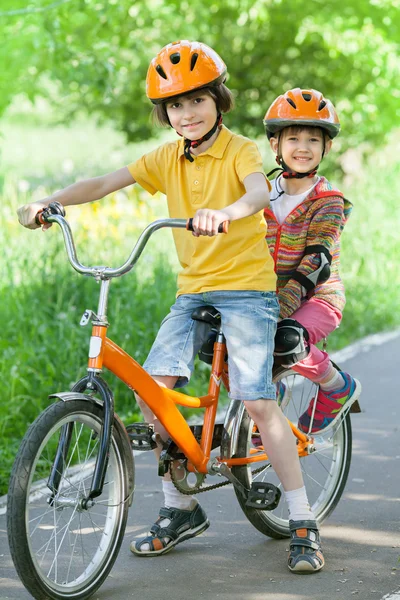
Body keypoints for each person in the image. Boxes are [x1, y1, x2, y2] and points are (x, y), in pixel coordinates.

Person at [17, 42, 324, 573]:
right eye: (176, 106)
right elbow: (104, 182)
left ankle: (302, 521)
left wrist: (225, 212)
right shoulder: (163, 158)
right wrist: (51, 202)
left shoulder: (242, 149)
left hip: (248, 289)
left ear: (218, 100)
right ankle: (180, 509)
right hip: (194, 291)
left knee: (255, 400)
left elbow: (256, 194)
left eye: (198, 101)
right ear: (165, 114)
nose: (187, 113)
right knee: (152, 391)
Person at [263, 88, 361, 434]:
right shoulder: (260, 194)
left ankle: (337, 387)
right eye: (292, 138)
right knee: (223, 340)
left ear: (327, 147)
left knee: (286, 338)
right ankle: (265, 402)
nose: (302, 147)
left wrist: (282, 305)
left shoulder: (327, 200)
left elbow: (318, 262)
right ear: (275, 143)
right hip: (268, 296)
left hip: (318, 296)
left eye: (312, 139)